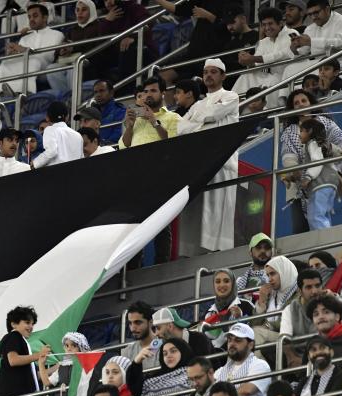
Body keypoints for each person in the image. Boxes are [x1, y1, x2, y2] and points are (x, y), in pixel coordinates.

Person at [176, 59, 240, 253]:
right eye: (206, 72)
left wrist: (195, 124)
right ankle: (198, 251)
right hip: (201, 160)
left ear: (223, 76)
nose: (209, 76)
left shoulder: (231, 96)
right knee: (201, 208)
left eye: (213, 72)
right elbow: (179, 128)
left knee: (221, 206)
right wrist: (201, 124)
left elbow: (213, 114)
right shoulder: (198, 105)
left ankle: (219, 251)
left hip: (224, 161)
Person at [0, 3, 64, 94]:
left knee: (33, 60)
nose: (31, 19)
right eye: (29, 17)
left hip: (44, 67)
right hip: (30, 63)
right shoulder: (25, 38)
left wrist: (24, 50)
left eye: (35, 16)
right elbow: (19, 55)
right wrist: (12, 53)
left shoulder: (57, 34)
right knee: (7, 61)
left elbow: (49, 56)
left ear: (45, 18)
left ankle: (25, 91)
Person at [233, 8, 298, 95]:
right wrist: (247, 61)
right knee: (246, 75)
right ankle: (232, 105)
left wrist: (254, 58)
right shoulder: (263, 42)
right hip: (272, 77)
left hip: (291, 77)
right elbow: (256, 63)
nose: (267, 28)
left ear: (281, 23)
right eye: (264, 25)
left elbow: (285, 54)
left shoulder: (291, 33)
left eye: (270, 23)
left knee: (271, 82)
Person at [119, 77, 180, 149]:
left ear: (163, 93)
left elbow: (174, 145)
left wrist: (155, 122)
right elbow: (124, 146)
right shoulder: (136, 119)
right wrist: (129, 128)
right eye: (146, 91)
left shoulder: (174, 117)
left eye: (153, 91)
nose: (149, 94)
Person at [35, 102, 84, 167]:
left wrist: (35, 163)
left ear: (47, 118)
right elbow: (81, 158)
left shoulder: (49, 129)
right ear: (67, 117)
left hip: (56, 174)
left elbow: (51, 151)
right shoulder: (78, 135)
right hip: (75, 174)